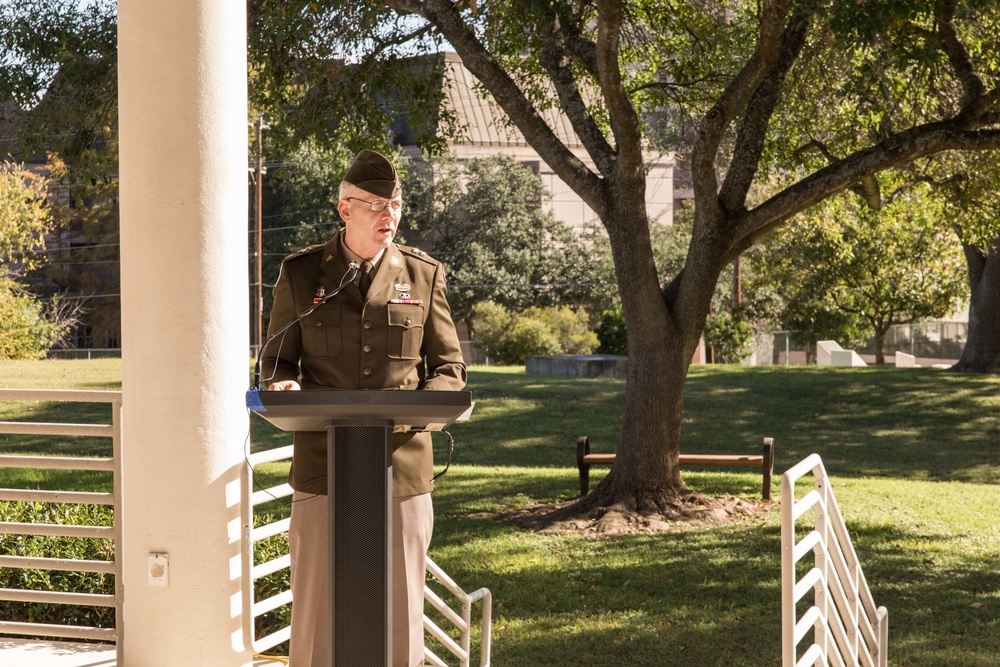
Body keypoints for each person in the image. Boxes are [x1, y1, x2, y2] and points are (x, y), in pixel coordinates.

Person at [261, 149, 467, 667]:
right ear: (344, 209)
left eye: (394, 204)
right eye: (374, 204)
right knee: (314, 618)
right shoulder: (302, 275)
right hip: (323, 467)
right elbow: (277, 362)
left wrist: (427, 403)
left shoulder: (423, 276)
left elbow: (449, 369)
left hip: (402, 468)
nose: (388, 215)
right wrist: (282, 385)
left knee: (400, 618)